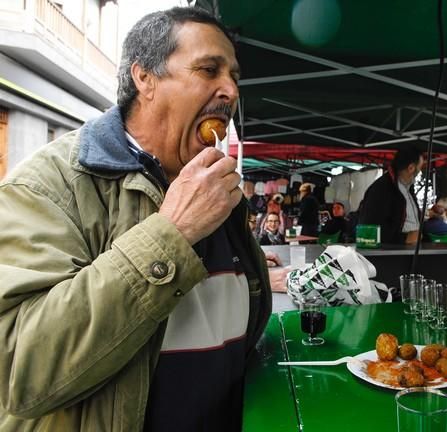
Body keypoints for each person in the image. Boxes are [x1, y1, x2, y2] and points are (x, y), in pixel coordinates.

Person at [0, 7, 272, 431]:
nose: (230, 90)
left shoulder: (216, 187)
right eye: (208, 69)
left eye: (234, 75)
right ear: (145, 78)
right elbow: (20, 371)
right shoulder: (51, 184)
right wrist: (173, 233)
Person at [358, 146, 424, 244]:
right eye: (419, 169)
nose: (419, 173)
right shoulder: (380, 189)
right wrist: (405, 238)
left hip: (409, 251)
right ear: (411, 168)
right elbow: (370, 231)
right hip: (394, 255)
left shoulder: (407, 188)